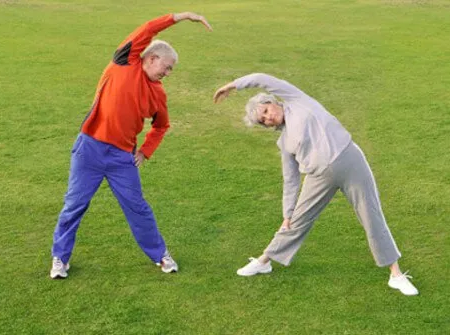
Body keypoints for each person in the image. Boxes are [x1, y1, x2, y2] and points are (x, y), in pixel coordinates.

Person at [213, 73, 419, 296]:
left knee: (371, 216)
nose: (268, 117)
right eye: (263, 121)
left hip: (350, 162)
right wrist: (287, 213)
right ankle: (265, 261)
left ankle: (396, 275)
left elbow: (264, 79)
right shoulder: (284, 143)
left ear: (272, 101)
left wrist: (233, 85)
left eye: (265, 111)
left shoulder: (296, 99)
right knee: (296, 222)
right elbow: (290, 180)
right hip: (318, 177)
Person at [50, 12, 212, 279]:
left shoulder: (158, 94)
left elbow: (161, 126)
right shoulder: (124, 62)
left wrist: (145, 151)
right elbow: (148, 29)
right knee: (74, 205)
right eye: (167, 67)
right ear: (151, 58)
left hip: (122, 159)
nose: (168, 73)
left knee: (137, 208)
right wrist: (181, 17)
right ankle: (60, 258)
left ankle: (159, 255)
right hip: (89, 149)